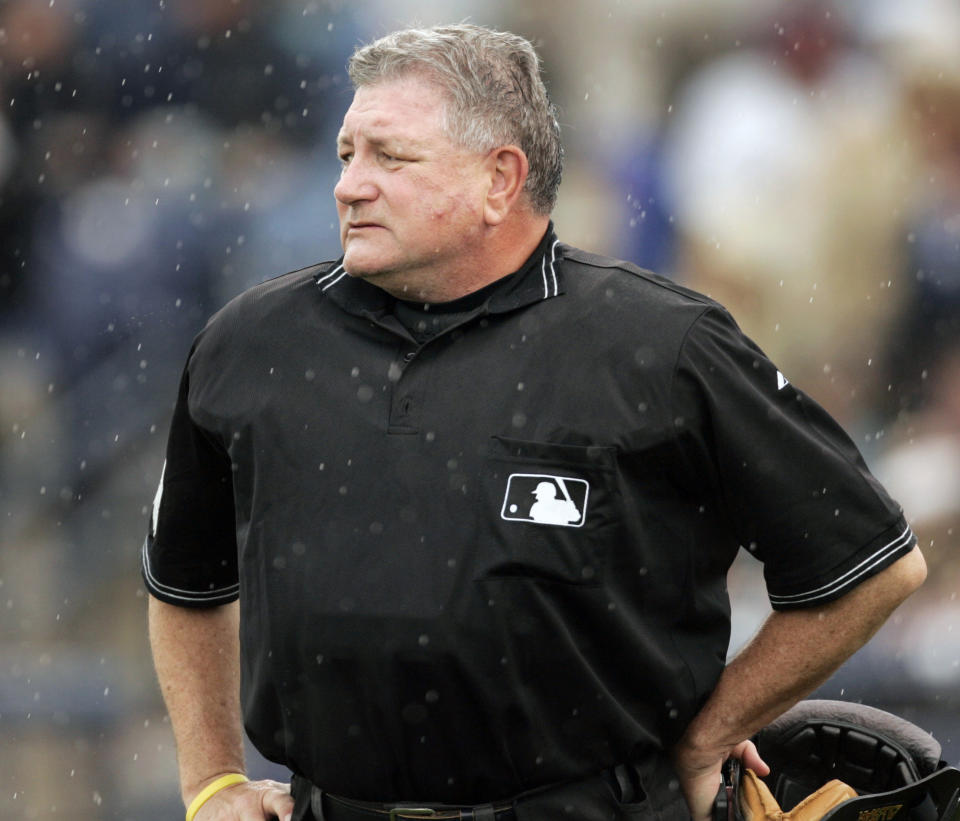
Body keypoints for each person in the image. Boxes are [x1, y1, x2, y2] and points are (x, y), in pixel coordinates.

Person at [143, 23, 927, 821]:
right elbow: (184, 582)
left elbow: (870, 563)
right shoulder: (251, 342)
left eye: (391, 157)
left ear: (500, 179)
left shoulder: (659, 343)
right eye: (348, 154)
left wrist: (710, 732)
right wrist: (212, 782)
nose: (349, 184)